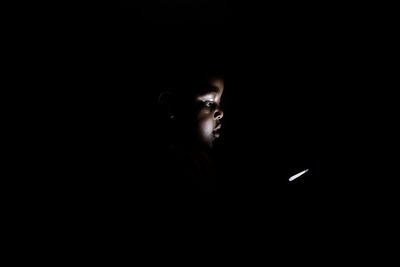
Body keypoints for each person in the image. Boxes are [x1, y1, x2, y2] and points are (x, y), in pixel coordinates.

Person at [155, 71, 225, 192]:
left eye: (219, 103)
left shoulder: (205, 164)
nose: (220, 113)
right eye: (209, 102)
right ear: (173, 106)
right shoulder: (178, 168)